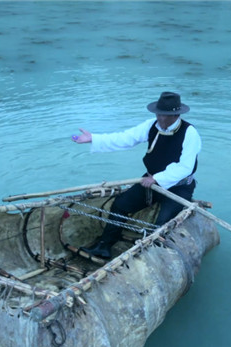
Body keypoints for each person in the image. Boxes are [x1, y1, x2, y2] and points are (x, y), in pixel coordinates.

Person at [71, 91, 201, 258]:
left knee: (161, 226)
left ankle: (151, 258)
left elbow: (185, 167)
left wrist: (157, 178)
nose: (160, 118)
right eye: (158, 114)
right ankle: (104, 246)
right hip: (150, 180)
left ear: (176, 115)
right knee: (120, 204)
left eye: (165, 115)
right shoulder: (151, 125)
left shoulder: (190, 132)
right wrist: (93, 138)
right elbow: (126, 138)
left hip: (178, 186)